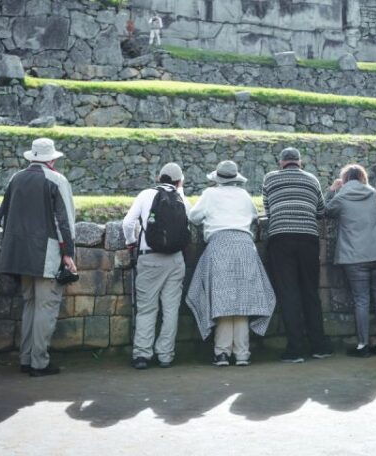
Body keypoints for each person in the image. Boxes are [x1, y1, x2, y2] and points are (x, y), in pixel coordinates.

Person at [0, 137, 77, 377]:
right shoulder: (56, 180)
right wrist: (69, 254)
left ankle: (26, 358)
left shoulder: (15, 179)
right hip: (46, 254)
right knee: (46, 307)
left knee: (30, 304)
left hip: (18, 255)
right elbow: (65, 222)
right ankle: (39, 362)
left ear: (32, 158)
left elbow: (2, 217)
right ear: (52, 159)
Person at [186, 161, 276, 367]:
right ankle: (242, 354)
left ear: (217, 177)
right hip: (244, 246)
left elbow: (194, 217)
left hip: (220, 245)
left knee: (223, 301)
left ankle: (222, 353)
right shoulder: (243, 195)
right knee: (242, 302)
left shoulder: (210, 194)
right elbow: (254, 216)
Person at [261, 147, 332, 363]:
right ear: (299, 162)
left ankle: (295, 349)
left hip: (281, 238)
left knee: (289, 292)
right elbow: (321, 211)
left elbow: (268, 210)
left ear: (281, 162)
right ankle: (319, 346)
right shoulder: (312, 180)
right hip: (308, 239)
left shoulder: (270, 179)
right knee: (310, 292)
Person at [123, 162, 190, 370]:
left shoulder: (145, 195)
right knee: (170, 309)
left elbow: (127, 223)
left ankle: (142, 354)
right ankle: (165, 355)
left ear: (159, 178)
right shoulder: (182, 199)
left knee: (146, 308)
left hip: (149, 257)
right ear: (179, 181)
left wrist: (130, 243)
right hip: (175, 260)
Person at [325, 164, 376, 357]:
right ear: (362, 177)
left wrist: (332, 190)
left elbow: (325, 211)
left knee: (361, 300)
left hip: (355, 255)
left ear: (345, 179)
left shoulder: (341, 196)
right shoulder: (372, 193)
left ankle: (362, 346)